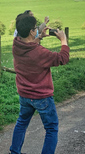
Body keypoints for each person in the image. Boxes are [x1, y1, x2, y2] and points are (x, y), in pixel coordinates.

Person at [9, 14, 69, 154]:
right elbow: (62, 58)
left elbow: (29, 46)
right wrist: (64, 41)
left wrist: (39, 37)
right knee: (51, 128)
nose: (37, 29)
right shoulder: (40, 52)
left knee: (21, 123)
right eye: (35, 28)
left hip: (24, 94)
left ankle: (14, 151)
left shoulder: (16, 44)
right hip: (42, 97)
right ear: (31, 31)